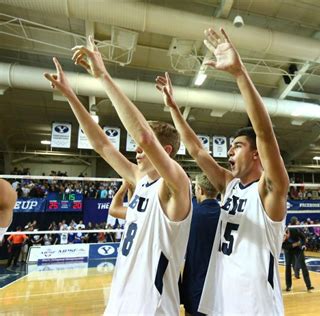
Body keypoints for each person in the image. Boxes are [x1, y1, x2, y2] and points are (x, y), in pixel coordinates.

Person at [44, 37, 192, 315]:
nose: (135, 148)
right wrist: (71, 96)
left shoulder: (175, 186)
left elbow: (146, 138)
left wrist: (103, 76)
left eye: (141, 145)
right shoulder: (140, 180)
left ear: (166, 150)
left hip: (153, 307)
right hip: (121, 300)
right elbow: (102, 145)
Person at [156, 28, 289, 315]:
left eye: (237, 146)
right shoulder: (230, 184)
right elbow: (196, 151)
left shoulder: (269, 190)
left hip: (256, 305)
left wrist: (240, 73)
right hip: (224, 299)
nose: (229, 151)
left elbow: (264, 133)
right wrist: (173, 110)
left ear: (256, 155)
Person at [180, 174, 221, 316]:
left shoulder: (191, 213)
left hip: (194, 283)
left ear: (200, 190)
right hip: (219, 285)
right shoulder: (225, 214)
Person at [284, 216, 314, 292]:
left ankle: (308, 285)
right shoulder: (283, 233)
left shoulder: (295, 229)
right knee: (288, 266)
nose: (285, 235)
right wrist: (294, 244)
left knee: (303, 265)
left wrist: (303, 245)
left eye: (286, 234)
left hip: (297, 249)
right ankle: (288, 286)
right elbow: (283, 246)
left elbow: (303, 238)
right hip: (288, 249)